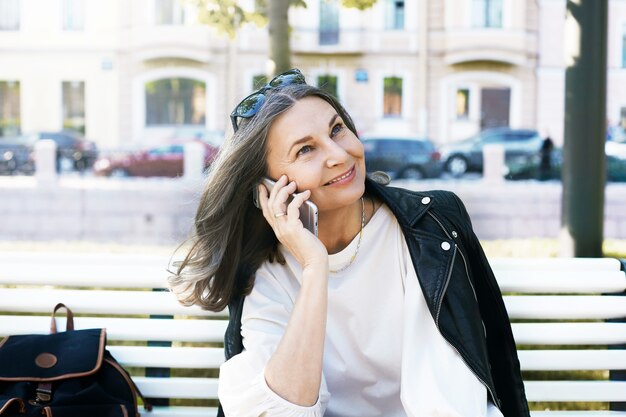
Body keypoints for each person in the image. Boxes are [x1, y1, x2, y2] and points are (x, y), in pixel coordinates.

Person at [168, 69, 529, 417]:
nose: (339, 154)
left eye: (336, 130)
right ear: (268, 188)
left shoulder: (430, 229)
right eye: (305, 150)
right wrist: (314, 267)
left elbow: (453, 396)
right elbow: (283, 411)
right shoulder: (264, 269)